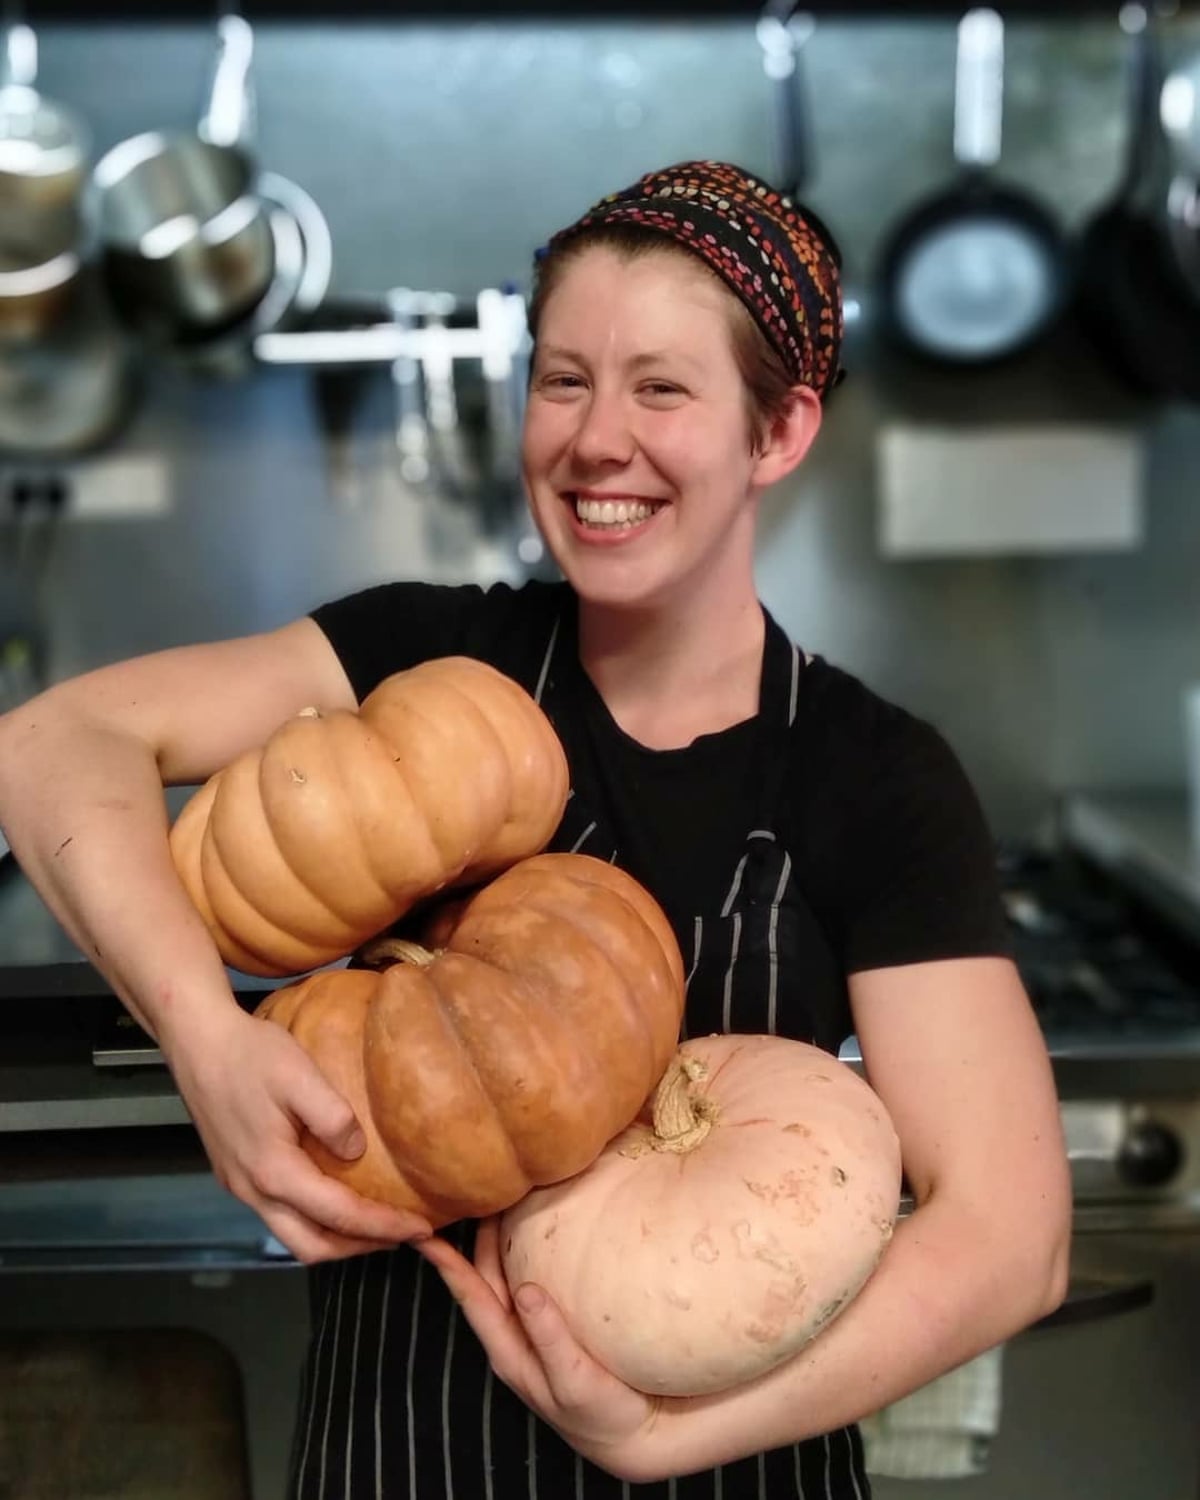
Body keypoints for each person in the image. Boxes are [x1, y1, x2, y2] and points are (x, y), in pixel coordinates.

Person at [0, 160, 1070, 1498]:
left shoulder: (875, 775)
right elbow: (49, 747)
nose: (595, 440)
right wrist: (207, 1041)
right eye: (564, 379)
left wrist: (660, 1442)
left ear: (779, 432)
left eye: (661, 388)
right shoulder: (421, 656)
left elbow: (1010, 1237)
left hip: (738, 1469)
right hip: (401, 1457)